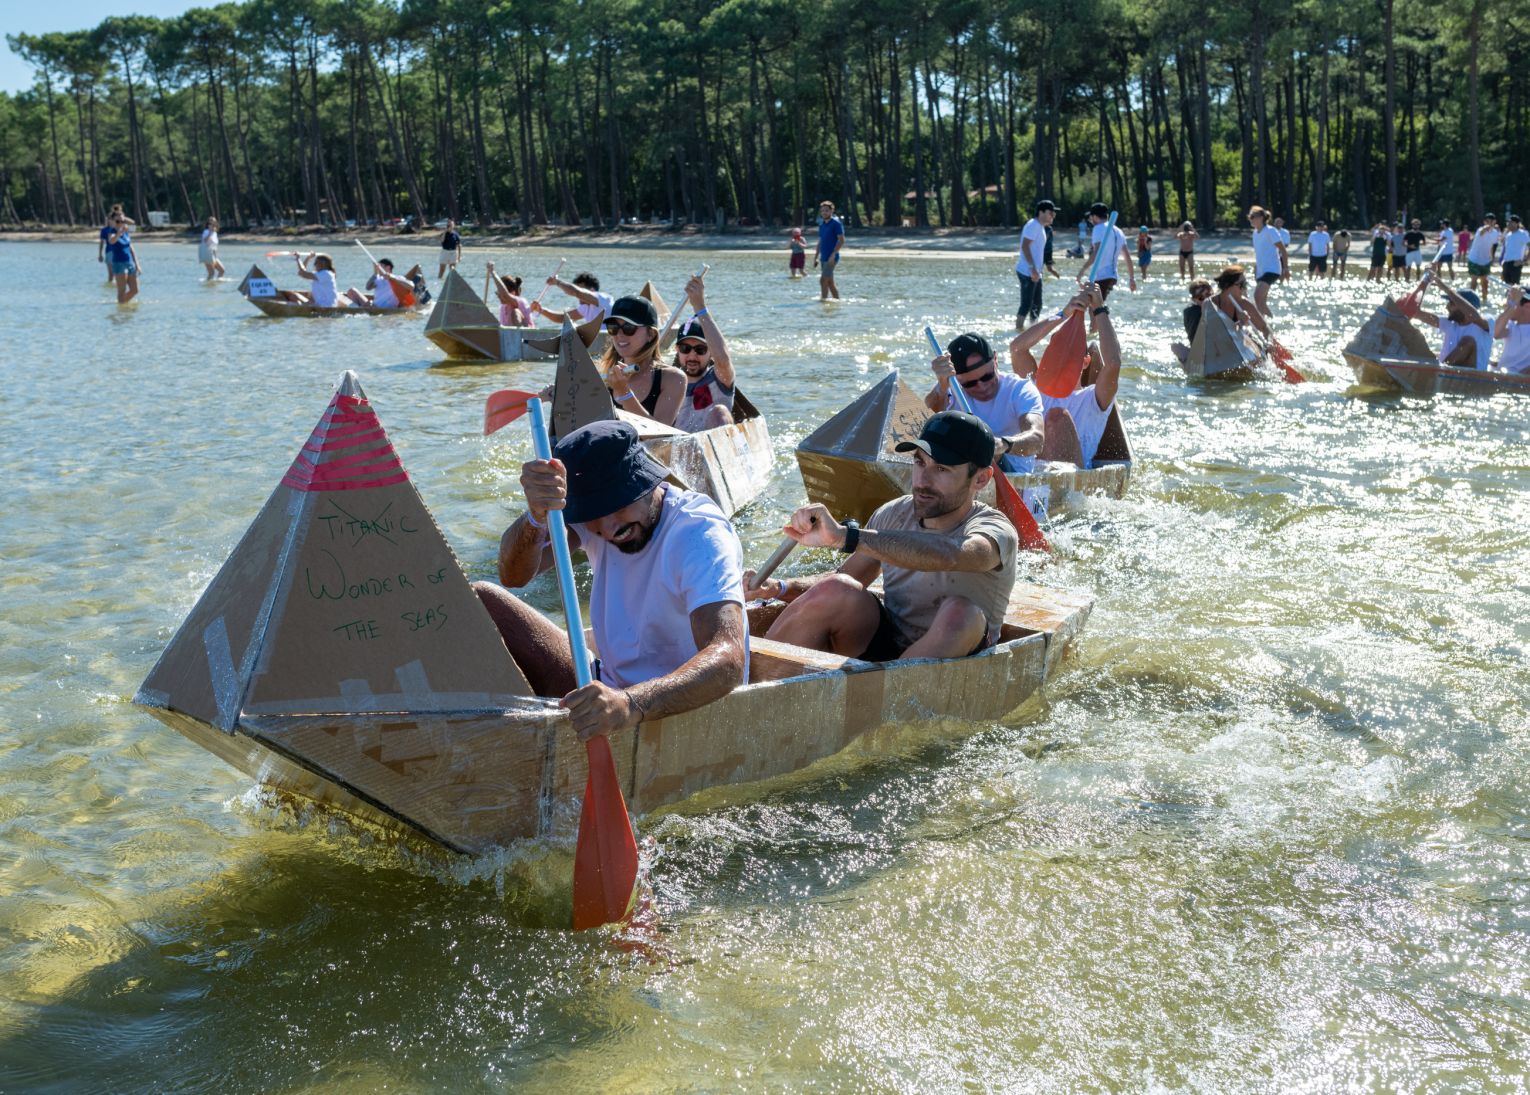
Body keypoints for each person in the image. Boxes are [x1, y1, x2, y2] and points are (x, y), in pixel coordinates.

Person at [472, 420, 747, 741]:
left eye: (617, 505)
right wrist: (535, 515)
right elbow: (513, 576)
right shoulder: (592, 522)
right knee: (481, 599)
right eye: (592, 513)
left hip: (682, 703)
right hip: (607, 687)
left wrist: (630, 703)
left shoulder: (698, 532)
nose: (607, 528)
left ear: (645, 482)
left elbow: (728, 659)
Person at [748, 411, 1018, 662]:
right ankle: (755, 685)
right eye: (919, 462)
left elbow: (951, 553)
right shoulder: (893, 513)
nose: (923, 480)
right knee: (838, 587)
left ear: (981, 480)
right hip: (891, 648)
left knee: (962, 614)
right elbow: (845, 579)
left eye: (941, 469)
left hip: (959, 659)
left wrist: (846, 536)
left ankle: (888, 698)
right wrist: (780, 587)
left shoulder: (995, 530)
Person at [1007, 284, 1123, 468]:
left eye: (1071, 352)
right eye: (1056, 349)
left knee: (1056, 417)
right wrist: (1064, 313)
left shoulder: (1093, 398)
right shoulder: (1033, 388)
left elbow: (1113, 363)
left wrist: (1099, 309)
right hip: (1032, 472)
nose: (1062, 355)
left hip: (1071, 477)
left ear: (1085, 362)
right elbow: (1017, 348)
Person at [924, 331, 1044, 473]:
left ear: (995, 359)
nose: (982, 386)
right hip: (966, 472)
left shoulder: (1019, 389)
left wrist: (1004, 444)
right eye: (970, 383)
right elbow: (926, 424)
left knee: (988, 451)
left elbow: (1037, 439)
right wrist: (942, 387)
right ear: (957, 379)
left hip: (1013, 475)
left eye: (987, 376)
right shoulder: (951, 388)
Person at [601, 294, 687, 425]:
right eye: (613, 327)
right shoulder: (602, 376)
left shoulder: (673, 378)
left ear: (651, 334)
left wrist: (625, 394)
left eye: (629, 328)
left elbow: (660, 434)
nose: (619, 334)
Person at [671, 275, 736, 433]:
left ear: (710, 352)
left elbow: (722, 359)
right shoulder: (667, 381)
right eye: (686, 349)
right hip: (677, 452)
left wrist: (699, 306)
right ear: (677, 350)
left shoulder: (719, 378)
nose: (692, 356)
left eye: (700, 350)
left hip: (714, 451)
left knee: (719, 412)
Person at [1411, 274, 1491, 369]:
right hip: (1448, 373)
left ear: (1464, 308)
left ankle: (1440, 371)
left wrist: (1445, 288)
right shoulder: (1449, 323)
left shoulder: (1487, 322)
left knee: (1468, 341)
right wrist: (1425, 281)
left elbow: (1473, 316)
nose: (1447, 307)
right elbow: (1414, 312)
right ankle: (1440, 370)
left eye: (1451, 303)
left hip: (1474, 379)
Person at [1080, 202, 1134, 298]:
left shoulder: (1098, 228)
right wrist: (1131, 278)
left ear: (1095, 217)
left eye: (1091, 218)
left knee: (1094, 308)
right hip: (1113, 276)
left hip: (1102, 276)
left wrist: (1082, 270)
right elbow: (1127, 257)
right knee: (1095, 305)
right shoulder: (1118, 231)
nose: (1091, 221)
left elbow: (1096, 253)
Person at [1015, 199, 1055, 326]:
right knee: (1026, 305)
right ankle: (1018, 332)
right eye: (1050, 213)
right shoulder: (1033, 225)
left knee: (1037, 305)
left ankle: (1032, 329)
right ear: (1041, 212)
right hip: (1028, 272)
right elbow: (1025, 246)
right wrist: (1032, 268)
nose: (1053, 215)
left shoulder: (1040, 227)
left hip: (1035, 273)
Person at [1208, 264, 1274, 342]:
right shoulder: (1210, 303)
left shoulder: (1245, 305)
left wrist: (1269, 343)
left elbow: (1264, 328)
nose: (1245, 288)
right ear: (1227, 285)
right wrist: (1238, 324)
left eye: (1245, 284)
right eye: (1241, 285)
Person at [1247, 206, 1285, 316]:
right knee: (1261, 302)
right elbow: (1260, 253)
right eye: (1250, 217)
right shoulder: (1255, 233)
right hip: (1261, 270)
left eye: (1253, 216)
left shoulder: (1270, 231)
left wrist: (1285, 268)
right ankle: (1264, 328)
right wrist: (1256, 268)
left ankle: (1269, 326)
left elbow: (1283, 250)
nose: (1250, 219)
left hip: (1272, 269)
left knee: (1257, 297)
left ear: (1261, 218)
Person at [534, 272, 613, 325]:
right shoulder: (586, 307)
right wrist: (541, 310)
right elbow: (562, 318)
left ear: (592, 290)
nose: (577, 297)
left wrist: (557, 282)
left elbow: (576, 292)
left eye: (581, 289)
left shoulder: (604, 299)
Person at [1170, 279, 1215, 363]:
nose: (1206, 300)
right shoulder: (1191, 312)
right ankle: (1186, 359)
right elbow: (1194, 336)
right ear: (1194, 300)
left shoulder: (1217, 306)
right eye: (1201, 298)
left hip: (1216, 347)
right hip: (1199, 349)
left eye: (1209, 295)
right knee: (1175, 347)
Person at [104, 212, 141, 304]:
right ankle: (122, 309)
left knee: (135, 290)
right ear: (112, 222)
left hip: (129, 263)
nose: (120, 223)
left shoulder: (126, 231)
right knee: (122, 290)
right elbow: (111, 241)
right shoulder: (111, 232)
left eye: (122, 221)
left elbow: (135, 224)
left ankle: (123, 303)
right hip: (119, 264)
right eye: (117, 221)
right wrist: (118, 233)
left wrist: (137, 264)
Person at [352, 257, 417, 309]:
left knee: (369, 304)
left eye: (380, 266)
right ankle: (355, 309)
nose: (378, 268)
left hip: (384, 308)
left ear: (388, 267)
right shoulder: (378, 279)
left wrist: (392, 278)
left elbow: (411, 286)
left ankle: (356, 308)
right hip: (373, 306)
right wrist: (375, 273)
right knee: (352, 291)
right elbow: (368, 287)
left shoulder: (397, 278)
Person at [1492, 287, 1530, 372]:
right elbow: (1494, 333)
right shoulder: (1511, 326)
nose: (1507, 306)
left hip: (1521, 378)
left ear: (1527, 306)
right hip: (1502, 375)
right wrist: (1514, 304)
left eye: (1510, 303)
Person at [814, 200, 844, 301]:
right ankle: (837, 300)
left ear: (832, 211)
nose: (824, 212)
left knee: (823, 280)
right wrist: (816, 257)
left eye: (826, 210)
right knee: (829, 282)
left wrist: (833, 255)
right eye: (822, 211)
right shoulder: (822, 225)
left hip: (832, 257)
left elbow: (841, 240)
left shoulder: (836, 223)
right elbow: (820, 241)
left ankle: (823, 301)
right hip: (823, 257)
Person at [1466, 215, 1502, 299]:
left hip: (1486, 260)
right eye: (1487, 221)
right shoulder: (1480, 230)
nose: (1489, 223)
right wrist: (1487, 227)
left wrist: (1492, 257)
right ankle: (1470, 300)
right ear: (1484, 222)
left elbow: (1493, 245)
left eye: (1491, 221)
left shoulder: (1495, 233)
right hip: (1474, 259)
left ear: (1494, 222)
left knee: (1485, 282)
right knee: (1474, 280)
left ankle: (1484, 300)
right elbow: (1482, 231)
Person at [487, 262, 533, 326]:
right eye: (497, 293)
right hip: (509, 334)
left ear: (513, 293)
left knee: (515, 312)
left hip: (527, 335)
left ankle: (518, 334)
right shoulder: (503, 307)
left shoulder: (521, 301)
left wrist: (493, 272)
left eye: (500, 293)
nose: (499, 296)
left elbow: (505, 295)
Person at [1501, 214, 1527, 288]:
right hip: (1506, 263)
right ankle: (1508, 299)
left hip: (1516, 263)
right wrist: (1503, 262)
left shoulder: (1523, 234)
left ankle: (1516, 299)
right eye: (1508, 222)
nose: (1509, 224)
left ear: (1517, 223)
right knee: (1507, 286)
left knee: (1515, 287)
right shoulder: (1508, 234)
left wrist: (1524, 260)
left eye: (1511, 222)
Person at [198, 216, 225, 281]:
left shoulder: (215, 233)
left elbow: (215, 246)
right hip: (207, 254)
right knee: (211, 273)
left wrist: (216, 256)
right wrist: (210, 232)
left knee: (222, 270)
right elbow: (205, 241)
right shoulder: (206, 231)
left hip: (213, 255)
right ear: (208, 224)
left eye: (214, 223)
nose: (212, 225)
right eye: (210, 224)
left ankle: (217, 284)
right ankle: (209, 287)